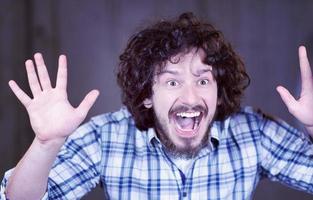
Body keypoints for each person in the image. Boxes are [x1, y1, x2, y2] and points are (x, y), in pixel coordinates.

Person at [1, 12, 313, 200]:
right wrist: (47, 143)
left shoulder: (252, 133)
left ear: (219, 92)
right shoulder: (106, 136)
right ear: (147, 93)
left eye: (203, 80)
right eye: (172, 81)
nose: (190, 97)